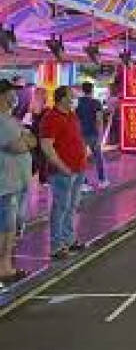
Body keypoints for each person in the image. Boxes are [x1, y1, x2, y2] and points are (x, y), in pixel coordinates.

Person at [39, 86, 88, 260]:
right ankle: (56, 245)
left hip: (78, 168)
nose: (75, 99)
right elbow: (46, 146)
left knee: (72, 206)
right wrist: (62, 167)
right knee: (60, 207)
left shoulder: (72, 115)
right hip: (63, 172)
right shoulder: (51, 118)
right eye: (72, 96)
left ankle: (69, 239)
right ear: (62, 99)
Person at [0, 79, 35, 284]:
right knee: (6, 229)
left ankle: (6, 266)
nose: (16, 97)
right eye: (13, 93)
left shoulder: (11, 119)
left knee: (12, 228)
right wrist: (26, 140)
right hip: (6, 185)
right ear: (3, 96)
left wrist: (26, 140)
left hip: (16, 183)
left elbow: (31, 140)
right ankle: (4, 268)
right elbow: (19, 146)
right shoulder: (2, 122)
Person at [76, 82, 109, 191]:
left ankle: (83, 183)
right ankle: (102, 180)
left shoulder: (78, 103)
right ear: (92, 90)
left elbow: (75, 120)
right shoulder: (96, 103)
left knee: (81, 159)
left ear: (82, 90)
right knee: (98, 158)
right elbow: (99, 120)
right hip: (93, 134)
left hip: (81, 134)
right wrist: (101, 135)